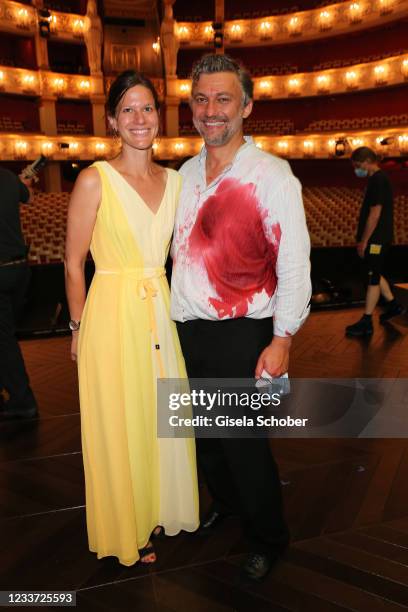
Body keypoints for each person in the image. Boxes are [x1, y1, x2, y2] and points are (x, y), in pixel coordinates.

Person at [170, 54, 311, 581]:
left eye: (223, 99)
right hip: (188, 330)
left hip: (245, 333)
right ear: (191, 107)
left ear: (246, 106)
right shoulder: (182, 175)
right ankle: (228, 506)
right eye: (202, 99)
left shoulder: (273, 175)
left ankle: (268, 537)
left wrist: (283, 339)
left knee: (242, 445)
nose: (212, 110)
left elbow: (294, 263)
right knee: (203, 437)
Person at [64, 70, 199, 566]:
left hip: (159, 312)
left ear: (158, 118)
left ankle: (159, 506)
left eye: (146, 108)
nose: (138, 118)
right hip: (111, 313)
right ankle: (128, 527)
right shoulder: (93, 178)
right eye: (128, 110)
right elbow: (73, 263)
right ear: (112, 121)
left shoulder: (178, 181)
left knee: (160, 414)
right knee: (119, 421)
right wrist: (77, 329)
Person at [346, 146, 403, 337]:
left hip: (376, 239)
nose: (356, 169)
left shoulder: (378, 180)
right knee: (375, 271)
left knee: (373, 276)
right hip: (378, 238)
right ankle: (394, 306)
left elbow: (375, 213)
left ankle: (367, 321)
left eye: (357, 165)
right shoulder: (377, 179)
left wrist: (364, 241)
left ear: (367, 161)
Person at [0, 166, 38, 420]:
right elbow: (30, 196)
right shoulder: (6, 176)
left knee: (3, 339)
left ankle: (22, 400)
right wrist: (22, 181)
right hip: (18, 270)